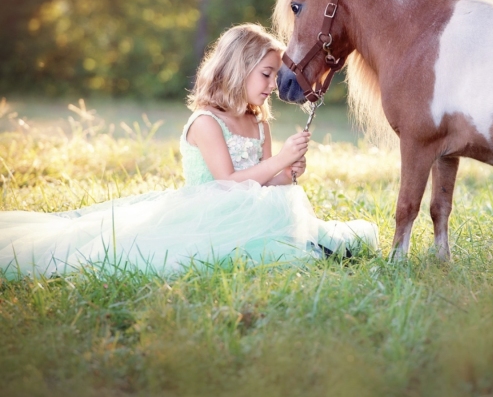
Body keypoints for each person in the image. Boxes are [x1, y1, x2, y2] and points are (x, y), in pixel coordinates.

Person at [0, 23, 379, 278]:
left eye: (274, 76)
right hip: (210, 214)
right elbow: (228, 183)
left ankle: (317, 247)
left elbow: (268, 180)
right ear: (237, 68)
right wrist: (279, 161)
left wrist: (289, 169)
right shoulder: (206, 122)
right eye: (265, 74)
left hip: (257, 211)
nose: (271, 86)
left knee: (337, 237)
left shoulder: (259, 121)